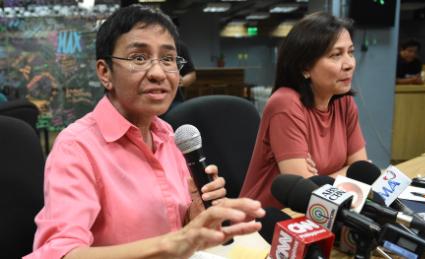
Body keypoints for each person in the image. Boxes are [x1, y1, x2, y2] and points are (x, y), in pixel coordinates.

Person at [24, 5, 264, 259]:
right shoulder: (77, 146)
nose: (159, 73)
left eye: (168, 59)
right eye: (139, 58)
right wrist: (170, 244)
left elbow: (176, 229)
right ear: (105, 72)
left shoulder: (169, 135)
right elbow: (60, 253)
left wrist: (194, 216)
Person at [239, 12, 367, 209]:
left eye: (350, 52)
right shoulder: (285, 104)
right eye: (336, 55)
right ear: (305, 66)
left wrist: (320, 179)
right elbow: (308, 196)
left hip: (326, 212)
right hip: (267, 222)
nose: (349, 64)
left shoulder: (344, 102)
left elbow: (362, 170)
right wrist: (343, 173)